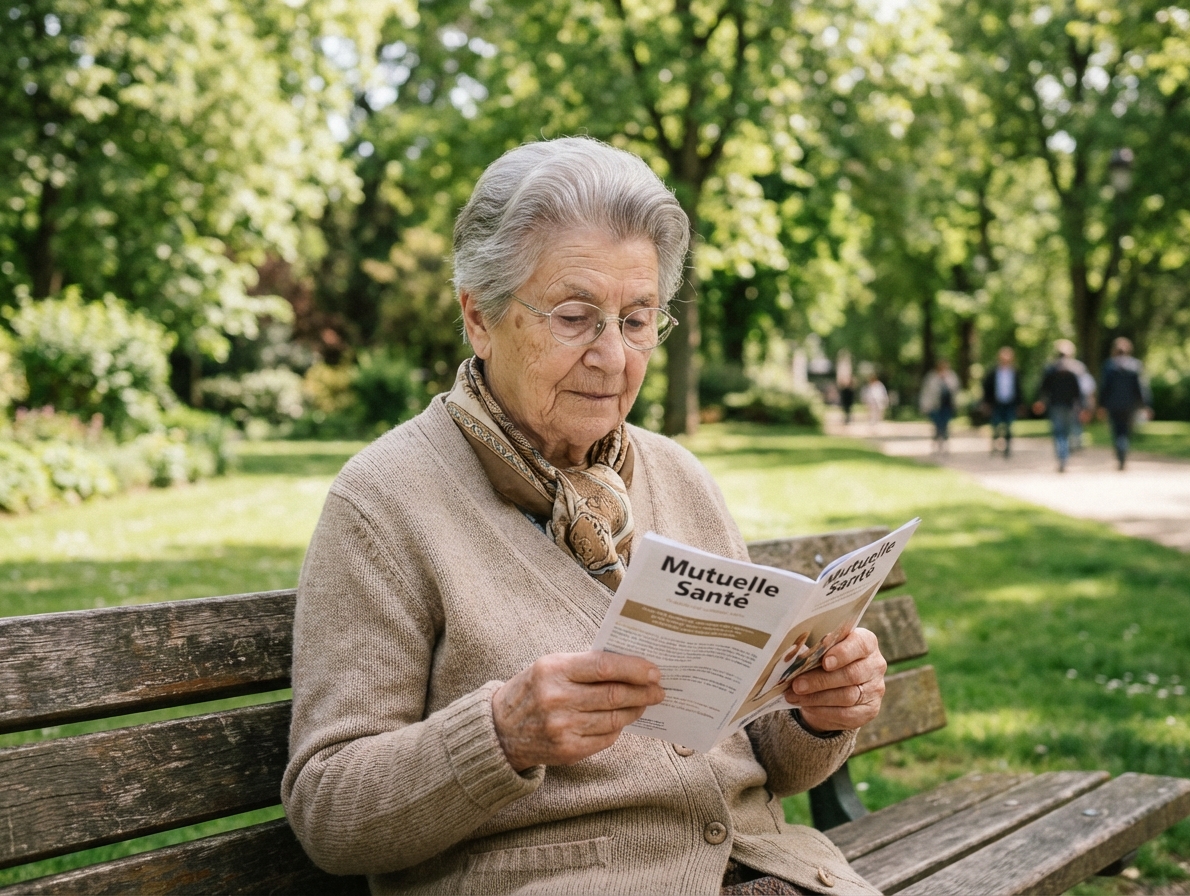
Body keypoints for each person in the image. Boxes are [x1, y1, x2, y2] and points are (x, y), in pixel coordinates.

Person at [282, 137, 886, 896]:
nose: (613, 357)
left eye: (638, 321)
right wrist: (500, 734)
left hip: (768, 872)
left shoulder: (678, 476)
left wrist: (820, 714)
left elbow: (761, 758)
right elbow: (330, 812)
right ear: (479, 317)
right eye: (576, 317)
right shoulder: (384, 503)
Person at [1098, 337, 1153, 470]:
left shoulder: (1109, 365)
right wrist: (1146, 405)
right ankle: (1123, 453)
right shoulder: (1135, 366)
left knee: (1117, 431)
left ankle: (1120, 452)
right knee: (1125, 432)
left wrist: (1101, 405)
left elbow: (1104, 388)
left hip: (1113, 405)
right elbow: (1141, 388)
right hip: (1130, 406)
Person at [1034, 339, 1083, 473]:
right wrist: (1081, 407)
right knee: (1065, 433)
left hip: (1055, 405)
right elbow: (1078, 392)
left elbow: (1044, 389)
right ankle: (1064, 457)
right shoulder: (1074, 370)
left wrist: (1041, 402)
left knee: (1058, 433)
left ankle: (1062, 457)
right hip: (1069, 406)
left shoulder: (1051, 369)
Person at [980, 347, 1023, 458]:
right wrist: (986, 403)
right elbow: (986, 388)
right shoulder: (993, 372)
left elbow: (1019, 389)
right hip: (996, 403)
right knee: (995, 425)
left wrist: (1020, 404)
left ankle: (1007, 448)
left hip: (1010, 403)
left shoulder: (1015, 372)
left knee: (1009, 426)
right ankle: (994, 446)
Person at [918, 360, 959, 453]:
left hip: (947, 406)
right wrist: (924, 405)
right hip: (935, 406)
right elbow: (926, 393)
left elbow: (955, 390)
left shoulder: (951, 377)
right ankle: (937, 442)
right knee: (937, 424)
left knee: (945, 425)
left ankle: (944, 443)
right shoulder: (931, 378)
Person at [836, 349, 855, 424]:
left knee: (848, 410)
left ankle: (848, 419)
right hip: (847, 401)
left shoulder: (848, 389)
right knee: (847, 410)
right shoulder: (846, 389)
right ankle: (847, 419)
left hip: (847, 401)